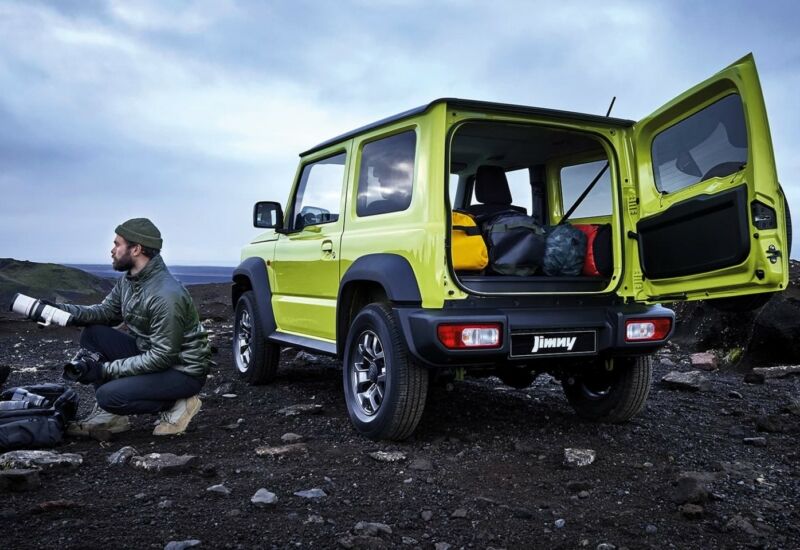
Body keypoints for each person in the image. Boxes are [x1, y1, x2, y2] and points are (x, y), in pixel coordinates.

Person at [57, 218, 211, 436]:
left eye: (117, 244)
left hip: (182, 371)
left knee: (109, 396)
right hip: (153, 355)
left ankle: (177, 403)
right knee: (94, 333)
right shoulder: (130, 280)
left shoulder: (165, 295)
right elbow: (106, 313)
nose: (112, 250)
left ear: (136, 249)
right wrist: (58, 312)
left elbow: (162, 357)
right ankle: (112, 418)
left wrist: (103, 370)